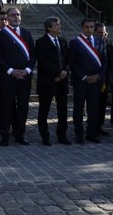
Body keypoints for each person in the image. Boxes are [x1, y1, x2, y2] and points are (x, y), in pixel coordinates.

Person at [0, 7, 36, 146]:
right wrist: (11, 71)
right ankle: (5, 135)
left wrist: (28, 70)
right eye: (12, 15)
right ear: (7, 18)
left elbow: (33, 55)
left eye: (18, 15)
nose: (16, 17)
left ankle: (20, 134)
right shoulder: (1, 35)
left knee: (23, 106)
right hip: (8, 77)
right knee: (6, 106)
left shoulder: (26, 33)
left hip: (25, 77)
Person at [69, 19, 107, 144]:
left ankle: (91, 133)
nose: (89, 29)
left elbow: (105, 61)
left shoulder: (100, 41)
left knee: (93, 108)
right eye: (86, 27)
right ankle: (79, 134)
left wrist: (99, 76)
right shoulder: (75, 42)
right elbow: (72, 63)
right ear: (82, 27)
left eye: (91, 27)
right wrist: (84, 77)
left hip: (96, 81)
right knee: (78, 108)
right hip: (81, 81)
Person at [35, 17, 71, 146]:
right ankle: (45, 136)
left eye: (59, 24)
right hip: (47, 81)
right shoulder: (41, 42)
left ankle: (62, 135)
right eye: (56, 25)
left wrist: (65, 71)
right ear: (49, 28)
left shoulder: (63, 41)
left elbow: (67, 59)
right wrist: (57, 73)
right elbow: (43, 62)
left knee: (63, 110)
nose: (59, 27)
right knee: (44, 110)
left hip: (62, 81)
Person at [94, 22, 112, 135]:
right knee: (94, 104)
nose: (102, 34)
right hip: (95, 77)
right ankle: (93, 126)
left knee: (102, 104)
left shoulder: (107, 42)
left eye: (104, 32)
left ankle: (99, 126)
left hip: (105, 78)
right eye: (100, 32)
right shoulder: (92, 43)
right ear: (95, 32)